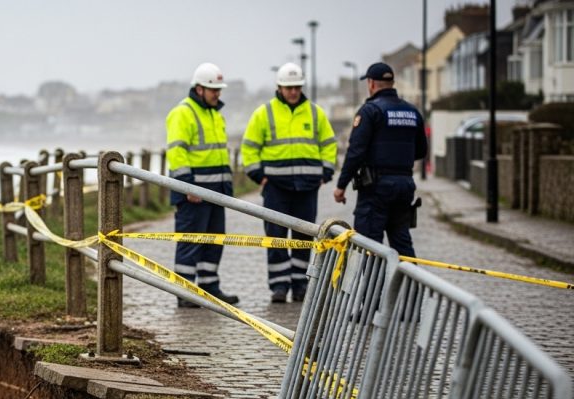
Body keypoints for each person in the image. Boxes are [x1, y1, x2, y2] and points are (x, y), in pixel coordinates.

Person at [241, 62, 337, 303]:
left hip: (307, 187)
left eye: (296, 87)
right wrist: (258, 176)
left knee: (304, 238)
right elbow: (249, 148)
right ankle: (279, 286)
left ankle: (299, 284)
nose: (293, 91)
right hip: (275, 187)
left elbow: (328, 145)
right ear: (279, 87)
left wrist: (325, 172)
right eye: (288, 87)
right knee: (276, 236)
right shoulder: (264, 113)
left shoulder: (315, 113)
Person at [334, 62, 427, 258]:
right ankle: (408, 288)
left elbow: (355, 152)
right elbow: (421, 151)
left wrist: (341, 185)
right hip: (405, 185)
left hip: (376, 188)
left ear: (371, 84)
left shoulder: (370, 111)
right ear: (392, 83)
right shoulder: (412, 112)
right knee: (402, 242)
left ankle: (371, 289)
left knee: (369, 247)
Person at [166, 62, 239, 308]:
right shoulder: (182, 113)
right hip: (193, 193)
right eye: (213, 89)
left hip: (216, 192)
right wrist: (188, 187)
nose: (217, 94)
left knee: (214, 240)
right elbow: (177, 153)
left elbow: (218, 154)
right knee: (190, 241)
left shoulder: (214, 114)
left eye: (219, 89)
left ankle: (209, 287)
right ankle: (186, 292)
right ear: (199, 89)